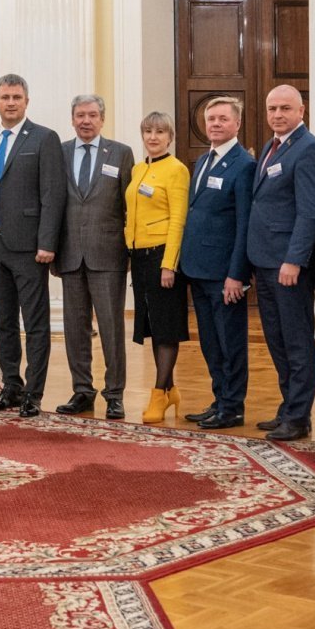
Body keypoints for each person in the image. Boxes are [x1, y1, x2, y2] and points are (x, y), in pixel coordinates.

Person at [0, 74, 66, 417]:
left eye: (16, 96)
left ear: (26, 101)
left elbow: (52, 194)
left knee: (35, 322)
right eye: (4, 97)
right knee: (3, 322)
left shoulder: (44, 138)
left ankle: (34, 392)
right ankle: (11, 386)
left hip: (30, 248)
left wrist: (47, 242)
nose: (10, 102)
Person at [245, 83, 315, 441]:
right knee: (276, 339)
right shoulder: (271, 146)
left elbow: (310, 213)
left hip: (288, 266)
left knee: (296, 341)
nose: (277, 115)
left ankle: (299, 416)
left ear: (301, 111)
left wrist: (295, 260)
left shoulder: (309, 150)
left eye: (284, 108)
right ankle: (288, 406)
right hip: (264, 261)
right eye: (272, 108)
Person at [54, 94, 135, 419]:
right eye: (79, 115)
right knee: (75, 328)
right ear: (72, 119)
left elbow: (131, 205)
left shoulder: (120, 153)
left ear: (102, 119)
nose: (85, 121)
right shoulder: (58, 152)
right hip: (70, 254)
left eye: (91, 115)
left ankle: (115, 394)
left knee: (112, 327)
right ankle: (82, 391)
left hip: (108, 256)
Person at [179, 97, 254, 431]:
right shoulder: (202, 160)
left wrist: (237, 274)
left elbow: (244, 223)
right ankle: (219, 399)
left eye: (223, 119)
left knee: (231, 343)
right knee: (210, 343)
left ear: (236, 124)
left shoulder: (243, 164)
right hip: (198, 268)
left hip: (225, 274)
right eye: (211, 119)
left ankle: (233, 407)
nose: (215, 124)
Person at [126, 111, 190, 425]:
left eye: (160, 131)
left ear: (170, 137)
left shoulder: (176, 170)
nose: (153, 137)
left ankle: (159, 392)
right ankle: (171, 388)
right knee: (152, 325)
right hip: (139, 257)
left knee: (166, 327)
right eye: (148, 131)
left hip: (162, 256)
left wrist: (170, 264)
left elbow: (178, 219)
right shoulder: (138, 169)